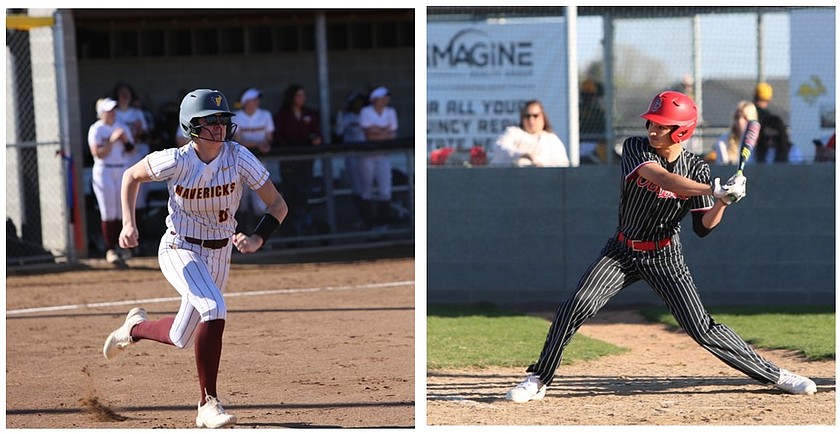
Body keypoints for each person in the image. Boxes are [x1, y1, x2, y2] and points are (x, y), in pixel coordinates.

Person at [504, 90, 817, 404]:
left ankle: (775, 375)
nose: (653, 130)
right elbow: (662, 178)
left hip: (665, 255)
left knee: (702, 328)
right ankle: (539, 378)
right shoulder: (636, 148)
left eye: (662, 125)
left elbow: (703, 227)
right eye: (652, 123)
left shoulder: (697, 169)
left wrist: (722, 201)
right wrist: (715, 188)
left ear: (681, 130)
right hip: (622, 251)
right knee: (577, 304)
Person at [102, 89, 288, 428]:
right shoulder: (177, 159)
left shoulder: (239, 157)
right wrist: (128, 223)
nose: (219, 126)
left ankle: (134, 328)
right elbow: (131, 176)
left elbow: (278, 205)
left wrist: (258, 237)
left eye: (223, 120)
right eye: (210, 120)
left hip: (219, 253)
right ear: (191, 126)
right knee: (214, 309)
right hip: (179, 246)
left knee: (179, 336)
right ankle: (208, 403)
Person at [87, 97, 135, 264]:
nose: (112, 112)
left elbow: (131, 149)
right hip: (104, 170)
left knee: (122, 209)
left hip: (121, 168)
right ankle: (110, 248)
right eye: (108, 110)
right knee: (109, 211)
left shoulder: (121, 126)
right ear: (101, 113)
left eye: (113, 109)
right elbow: (98, 153)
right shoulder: (96, 129)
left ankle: (123, 246)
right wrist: (112, 140)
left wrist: (124, 140)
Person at [273, 84, 323, 237]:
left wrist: (316, 139)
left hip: (306, 162)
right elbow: (277, 137)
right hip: (289, 163)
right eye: (298, 95)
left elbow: (317, 133)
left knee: (305, 194)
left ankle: (307, 227)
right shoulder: (283, 115)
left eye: (303, 95)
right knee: (291, 196)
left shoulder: (310, 114)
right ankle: (290, 231)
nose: (302, 99)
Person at [113, 82, 152, 255]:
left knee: (140, 200)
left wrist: (136, 132)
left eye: (127, 93)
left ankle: (139, 240)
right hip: (120, 158)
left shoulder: (137, 113)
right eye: (121, 93)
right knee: (120, 201)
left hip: (137, 154)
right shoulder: (113, 114)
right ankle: (122, 242)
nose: (124, 96)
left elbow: (145, 134)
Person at [234, 87, 275, 232]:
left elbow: (269, 138)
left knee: (260, 202)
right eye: (253, 100)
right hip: (241, 163)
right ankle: (241, 233)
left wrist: (264, 145)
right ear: (245, 102)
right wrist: (258, 144)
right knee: (241, 201)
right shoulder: (237, 116)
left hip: (260, 162)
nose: (256, 102)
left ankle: (261, 236)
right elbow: (237, 141)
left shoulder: (265, 115)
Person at [359, 86, 399, 233]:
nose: (386, 99)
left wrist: (377, 131)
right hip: (367, 156)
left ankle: (383, 226)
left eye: (386, 97)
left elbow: (393, 134)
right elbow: (369, 135)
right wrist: (384, 131)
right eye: (383, 97)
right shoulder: (366, 111)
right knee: (366, 190)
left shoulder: (390, 112)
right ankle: (369, 226)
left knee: (385, 191)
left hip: (384, 155)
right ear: (375, 99)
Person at [490, 100, 570, 167]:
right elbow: (500, 149)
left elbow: (562, 165)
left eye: (535, 116)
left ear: (543, 117)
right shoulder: (512, 133)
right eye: (527, 116)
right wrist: (523, 155)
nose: (531, 120)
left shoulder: (552, 140)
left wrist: (540, 163)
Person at [335, 91, 369, 228]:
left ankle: (372, 220)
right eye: (356, 101)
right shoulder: (346, 117)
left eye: (360, 101)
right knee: (357, 189)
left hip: (368, 156)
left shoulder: (367, 114)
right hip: (352, 157)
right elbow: (338, 132)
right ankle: (364, 218)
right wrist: (338, 114)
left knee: (369, 189)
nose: (359, 104)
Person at [714, 100, 759, 165]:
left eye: (745, 118)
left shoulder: (761, 142)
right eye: (737, 117)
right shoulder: (723, 141)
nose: (740, 121)